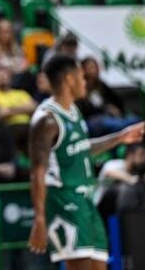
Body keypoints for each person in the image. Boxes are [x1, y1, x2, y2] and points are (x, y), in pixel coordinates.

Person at [28, 54, 144, 268]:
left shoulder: (73, 111)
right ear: (69, 79)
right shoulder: (46, 120)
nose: (85, 82)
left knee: (100, 266)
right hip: (64, 201)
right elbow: (37, 172)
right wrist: (40, 219)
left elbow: (81, 149)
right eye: (81, 77)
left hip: (86, 201)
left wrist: (120, 137)